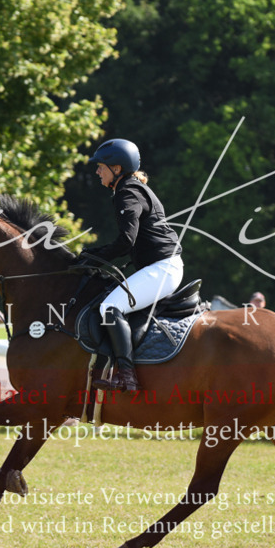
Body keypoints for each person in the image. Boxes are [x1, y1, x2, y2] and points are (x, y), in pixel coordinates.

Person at [79, 138, 184, 392]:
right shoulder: (132, 188)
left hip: (162, 269)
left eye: (101, 166)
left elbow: (127, 240)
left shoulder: (127, 192)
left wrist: (93, 257)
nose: (97, 171)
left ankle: (127, 376)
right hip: (161, 266)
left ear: (117, 168)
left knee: (110, 307)